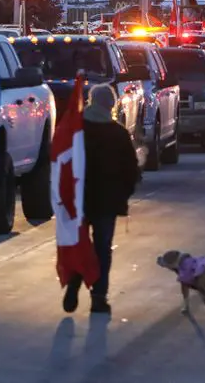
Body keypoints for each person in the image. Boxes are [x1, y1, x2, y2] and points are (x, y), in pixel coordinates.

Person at [64, 83, 139, 316]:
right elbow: (131, 169)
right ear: (111, 104)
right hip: (107, 201)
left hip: (79, 199)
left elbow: (63, 162)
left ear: (91, 101)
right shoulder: (118, 133)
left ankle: (74, 283)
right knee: (102, 249)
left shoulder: (77, 130)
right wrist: (123, 194)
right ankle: (98, 297)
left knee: (80, 246)